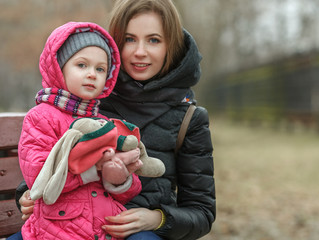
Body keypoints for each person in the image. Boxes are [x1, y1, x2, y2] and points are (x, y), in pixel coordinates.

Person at [17, 0, 216, 239]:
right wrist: (25, 197)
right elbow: (42, 163)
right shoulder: (89, 100)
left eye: (153, 40)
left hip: (139, 231)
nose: (140, 51)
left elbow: (201, 212)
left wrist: (157, 218)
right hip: (68, 223)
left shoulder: (189, 118)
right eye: (129, 39)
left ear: (170, 46)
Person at [15, 21, 145, 240]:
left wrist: (120, 177)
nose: (92, 74)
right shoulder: (41, 118)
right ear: (59, 67)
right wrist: (95, 169)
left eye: (100, 68)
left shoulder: (103, 123)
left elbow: (127, 194)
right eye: (82, 65)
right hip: (57, 229)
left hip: (105, 229)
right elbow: (40, 179)